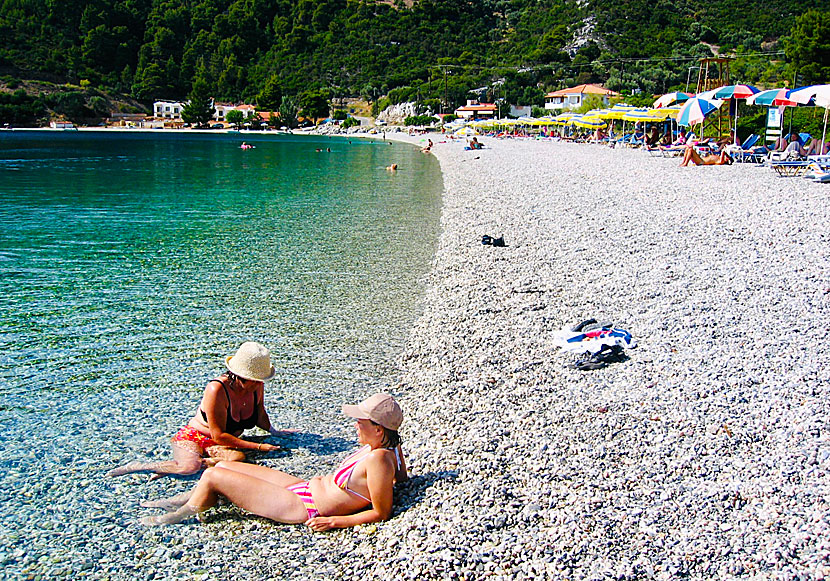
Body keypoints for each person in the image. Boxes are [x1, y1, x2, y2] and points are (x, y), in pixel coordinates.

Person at [139, 393, 408, 529]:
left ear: (379, 429)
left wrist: (334, 522)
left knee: (212, 476)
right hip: (304, 489)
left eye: (360, 422)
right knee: (223, 465)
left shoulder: (379, 460)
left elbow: (381, 512)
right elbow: (402, 479)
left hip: (306, 508)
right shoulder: (390, 447)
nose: (355, 426)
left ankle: (178, 516)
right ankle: (183, 501)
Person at [108, 342, 284, 478]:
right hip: (195, 437)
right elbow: (218, 435)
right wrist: (259, 446)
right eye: (253, 379)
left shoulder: (256, 386)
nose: (258, 383)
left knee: (238, 459)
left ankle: (189, 464)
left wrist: (274, 432)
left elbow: (260, 414)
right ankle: (141, 466)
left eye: (259, 379)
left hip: (219, 443)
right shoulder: (217, 389)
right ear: (239, 375)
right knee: (188, 469)